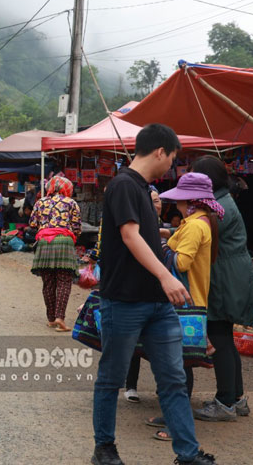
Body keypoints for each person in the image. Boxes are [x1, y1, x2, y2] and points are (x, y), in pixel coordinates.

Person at [91, 123, 216, 465]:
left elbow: (149, 241)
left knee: (174, 379)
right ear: (160, 151)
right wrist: (166, 276)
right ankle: (104, 448)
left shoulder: (144, 190)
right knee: (112, 378)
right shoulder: (122, 185)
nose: (172, 167)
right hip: (125, 301)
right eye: (173, 158)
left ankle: (187, 455)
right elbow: (131, 237)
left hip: (158, 306)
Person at [147, 172, 224, 441]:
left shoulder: (193, 226)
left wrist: (161, 246)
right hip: (190, 299)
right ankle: (170, 414)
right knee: (177, 363)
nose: (175, 204)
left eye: (180, 200)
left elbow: (181, 263)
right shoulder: (201, 221)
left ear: (189, 201)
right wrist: (170, 235)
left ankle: (175, 422)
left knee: (178, 366)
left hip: (184, 301)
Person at [190, 156, 253, 420]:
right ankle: (236, 398)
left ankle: (225, 402)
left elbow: (200, 234)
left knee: (219, 336)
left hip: (226, 277)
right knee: (224, 336)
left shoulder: (218, 206)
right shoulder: (222, 200)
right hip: (232, 273)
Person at [123, 186, 163, 403]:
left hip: (160, 292)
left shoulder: (165, 228)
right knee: (134, 340)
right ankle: (130, 385)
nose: (155, 204)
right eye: (151, 201)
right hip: (138, 289)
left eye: (157, 201)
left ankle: (161, 387)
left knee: (159, 341)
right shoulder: (135, 226)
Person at [29, 175, 81, 332]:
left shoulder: (40, 202)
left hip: (44, 242)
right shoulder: (71, 203)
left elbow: (32, 224)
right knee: (64, 281)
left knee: (48, 282)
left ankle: (51, 318)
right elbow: (77, 228)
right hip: (64, 242)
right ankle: (60, 318)